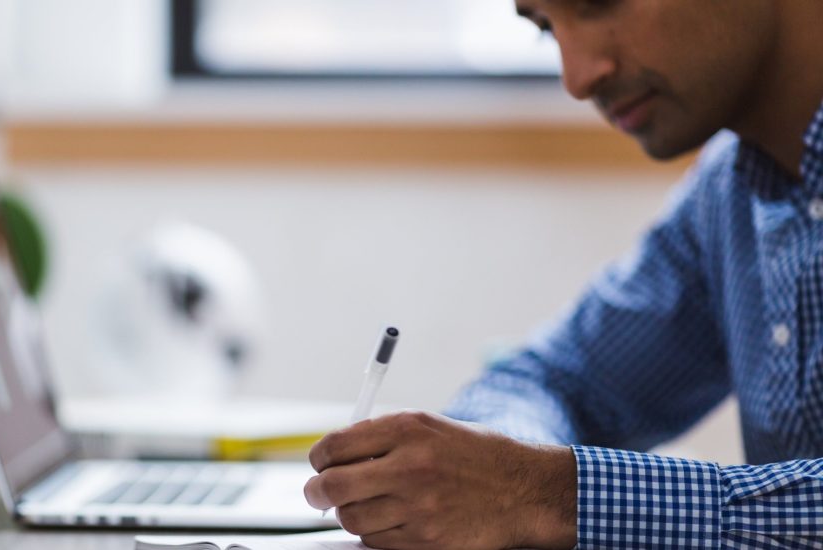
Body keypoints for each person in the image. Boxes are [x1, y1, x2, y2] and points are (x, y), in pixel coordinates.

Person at [302, 1, 823, 548]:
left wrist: (547, 495)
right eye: (546, 29)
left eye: (598, 3)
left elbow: (538, 485)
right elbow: (554, 381)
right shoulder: (729, 192)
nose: (576, 78)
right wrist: (491, 476)